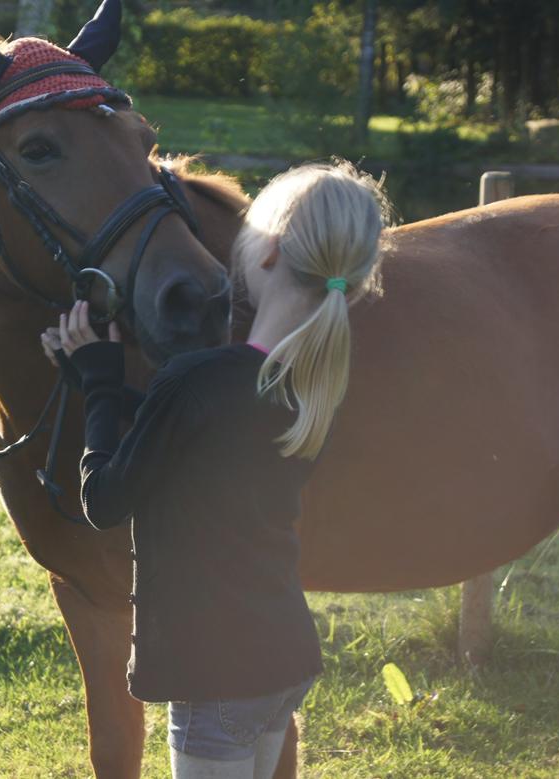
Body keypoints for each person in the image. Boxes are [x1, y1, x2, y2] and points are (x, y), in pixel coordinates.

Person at [39, 160, 390, 779]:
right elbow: (193, 446)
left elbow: (105, 499)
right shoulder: (312, 389)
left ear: (271, 253)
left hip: (216, 670)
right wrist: (97, 380)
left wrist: (98, 385)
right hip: (280, 656)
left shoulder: (197, 379)